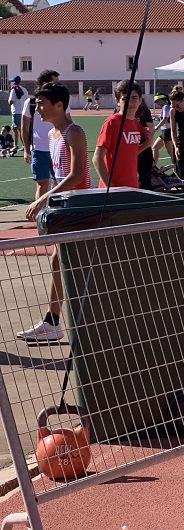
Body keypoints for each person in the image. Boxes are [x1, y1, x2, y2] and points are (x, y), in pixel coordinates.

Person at [16, 82, 91, 343]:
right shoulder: (52, 135)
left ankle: (63, 322)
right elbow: (56, 174)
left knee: (74, 263)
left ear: (59, 105)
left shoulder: (74, 132)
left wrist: (44, 198)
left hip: (81, 207)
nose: (38, 109)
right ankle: (53, 322)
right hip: (64, 207)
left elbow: (77, 174)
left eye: (42, 104)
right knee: (60, 261)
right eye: (36, 104)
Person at [93, 80, 144, 188]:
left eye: (134, 98)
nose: (130, 102)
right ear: (117, 101)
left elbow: (129, 153)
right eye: (125, 98)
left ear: (140, 100)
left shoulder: (136, 124)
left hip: (131, 187)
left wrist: (147, 144)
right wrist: (110, 188)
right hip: (113, 190)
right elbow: (97, 158)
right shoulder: (112, 122)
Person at [21, 70, 60, 202]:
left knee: (59, 183)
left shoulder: (61, 102)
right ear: (44, 83)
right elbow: (24, 127)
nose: (56, 85)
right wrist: (26, 150)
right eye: (54, 82)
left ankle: (57, 213)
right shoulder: (31, 103)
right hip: (39, 150)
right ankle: (39, 214)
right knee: (42, 183)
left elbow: (68, 123)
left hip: (57, 149)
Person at [7, 76, 29, 153]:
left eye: (11, 81)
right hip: (23, 112)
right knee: (19, 129)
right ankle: (22, 145)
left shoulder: (13, 90)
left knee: (17, 130)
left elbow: (10, 102)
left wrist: (9, 99)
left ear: (14, 82)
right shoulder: (25, 90)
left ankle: (18, 146)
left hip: (16, 112)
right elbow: (26, 100)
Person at [151, 93, 172, 165]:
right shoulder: (165, 107)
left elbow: (165, 120)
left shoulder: (166, 106)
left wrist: (156, 127)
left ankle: (177, 170)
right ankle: (154, 166)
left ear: (161, 99)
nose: (157, 103)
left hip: (167, 131)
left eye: (157, 101)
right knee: (154, 148)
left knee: (171, 152)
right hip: (165, 131)